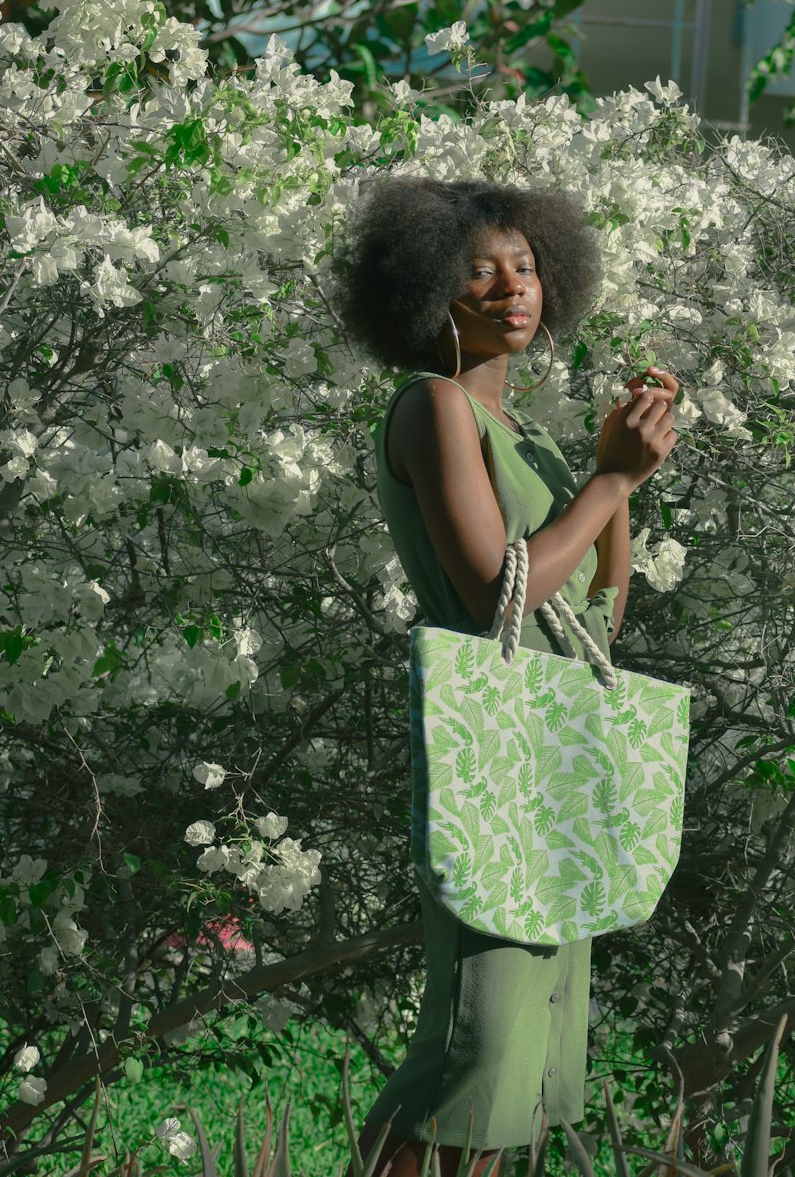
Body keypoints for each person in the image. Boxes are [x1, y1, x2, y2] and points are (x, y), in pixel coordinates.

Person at [331, 177, 680, 1177]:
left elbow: (595, 620)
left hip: (546, 756)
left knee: (529, 1053)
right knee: (475, 1038)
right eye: (478, 271)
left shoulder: (524, 437)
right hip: (494, 754)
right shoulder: (434, 406)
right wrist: (608, 480)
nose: (507, 288)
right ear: (426, 289)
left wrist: (618, 479)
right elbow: (496, 594)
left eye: (524, 269)